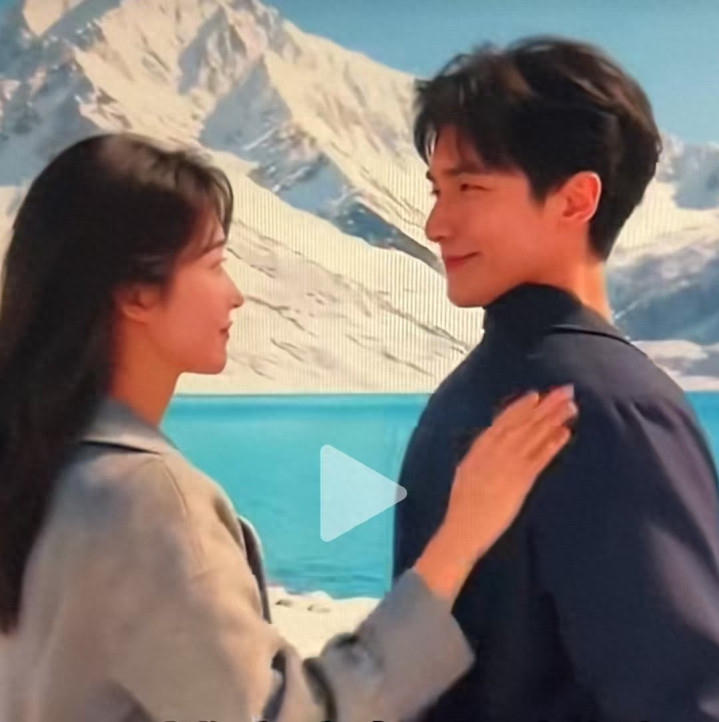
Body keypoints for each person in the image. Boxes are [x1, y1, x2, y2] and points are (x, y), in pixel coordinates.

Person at [0, 133, 576, 722]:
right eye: (215, 264)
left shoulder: (35, 471)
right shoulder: (145, 501)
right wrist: (461, 539)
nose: (235, 295)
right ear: (137, 295)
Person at [393, 36, 719, 721]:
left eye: (468, 188)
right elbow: (682, 698)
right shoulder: (610, 405)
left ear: (575, 200)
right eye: (438, 189)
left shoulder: (463, 397)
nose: (434, 223)